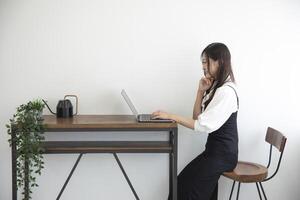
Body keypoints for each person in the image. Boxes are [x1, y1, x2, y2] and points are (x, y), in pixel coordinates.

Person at [152, 43, 239, 200]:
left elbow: (200, 125)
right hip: (213, 153)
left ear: (219, 61)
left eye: (206, 61)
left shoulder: (227, 92)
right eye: (202, 62)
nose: (203, 66)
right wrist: (200, 91)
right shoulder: (218, 88)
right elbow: (196, 117)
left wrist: (170, 116)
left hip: (223, 156)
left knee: (184, 190)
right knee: (181, 186)